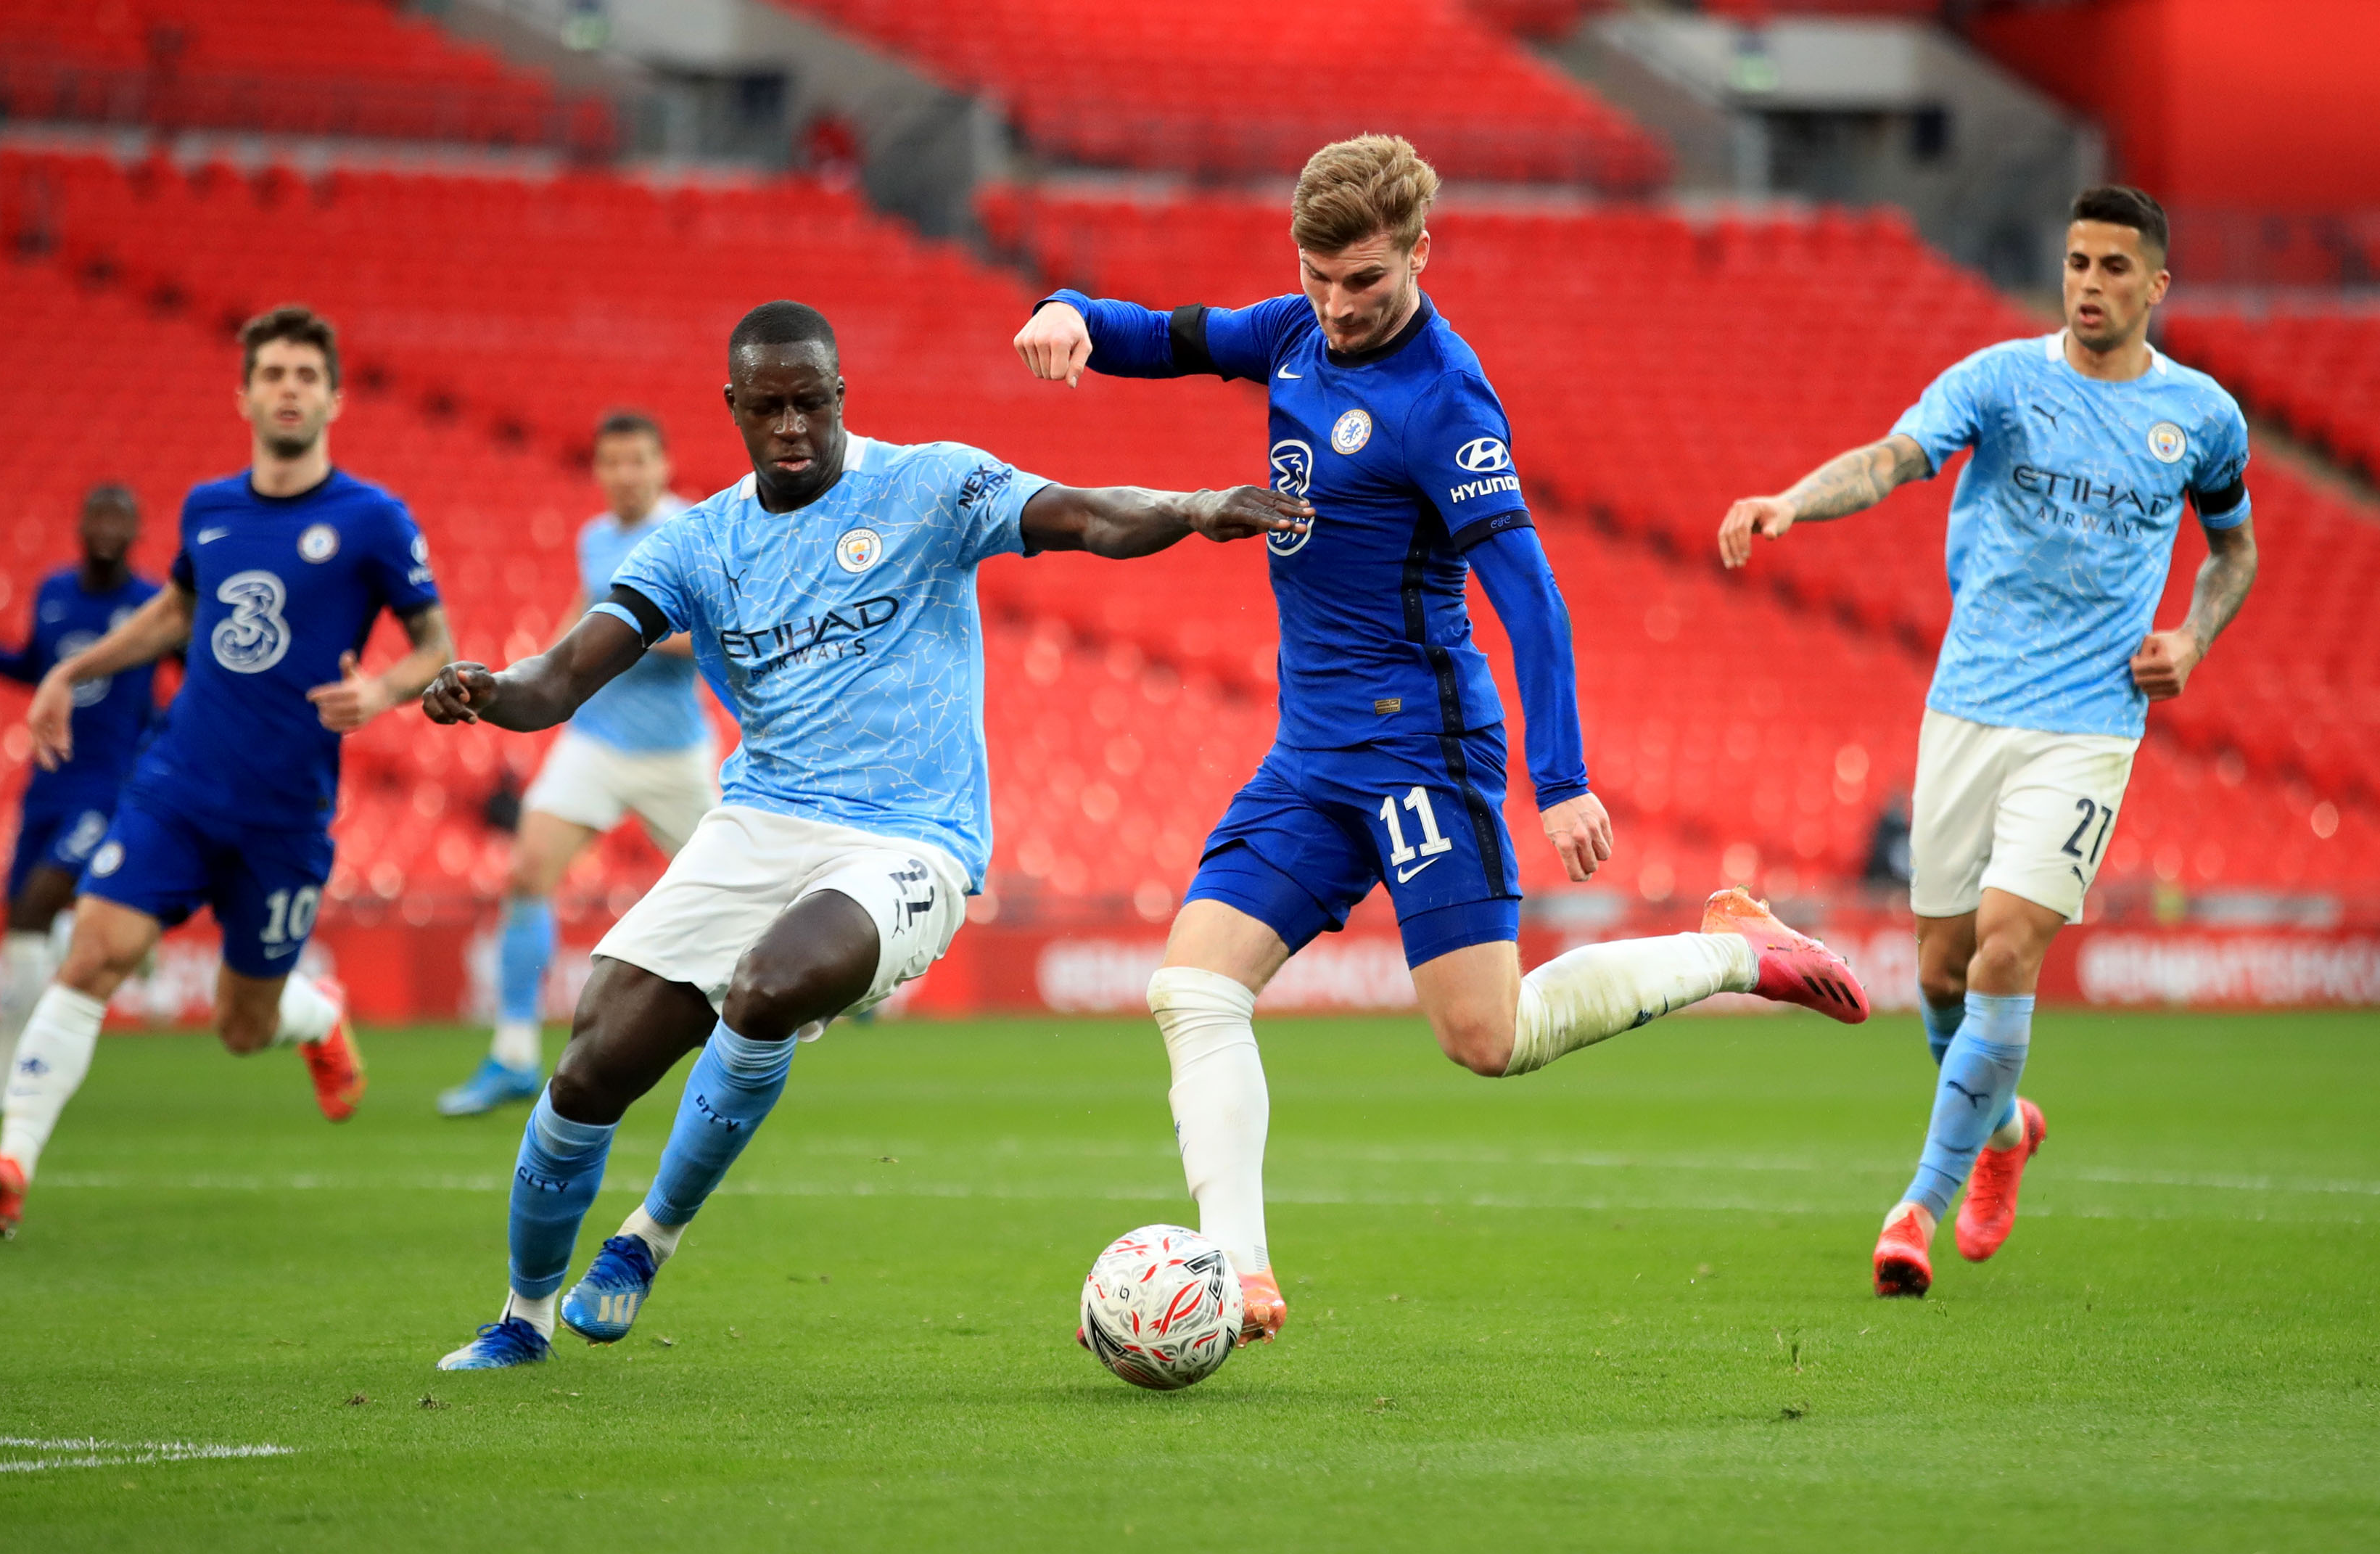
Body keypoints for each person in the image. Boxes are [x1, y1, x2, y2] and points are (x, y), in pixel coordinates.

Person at [1011, 134, 1871, 1345]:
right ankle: (1238, 1275)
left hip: (1422, 748)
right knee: (1190, 987)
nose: (1336, 306)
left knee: (1486, 1036)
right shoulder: (1293, 333)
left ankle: (1733, 952)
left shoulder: (1446, 399)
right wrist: (1066, 312)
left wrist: (1559, 779)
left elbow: (1530, 597)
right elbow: (1165, 332)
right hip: (1310, 752)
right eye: (1317, 278)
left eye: (1362, 280)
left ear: (1420, 250)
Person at [427, 299, 1310, 1369]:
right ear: (735, 408)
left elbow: (1083, 515)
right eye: (769, 407)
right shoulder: (698, 544)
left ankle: (647, 1236)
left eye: (810, 402)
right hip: (754, 822)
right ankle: (520, 1318)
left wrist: (1192, 504)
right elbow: (563, 674)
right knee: (589, 1071)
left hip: (912, 839)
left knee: (768, 985)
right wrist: (489, 689)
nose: (792, 424)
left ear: (841, 394)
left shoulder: (929, 486)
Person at [1715, 185, 2257, 1296]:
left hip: (2090, 722)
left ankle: (1916, 1201)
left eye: (2114, 267)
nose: (2090, 284)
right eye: (2076, 262)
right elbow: (1888, 459)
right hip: (1967, 707)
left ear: (2156, 284)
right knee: (1940, 971)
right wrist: (1788, 501)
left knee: (2007, 946)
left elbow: (2233, 551)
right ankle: (2003, 1130)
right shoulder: (1999, 381)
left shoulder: (2200, 415)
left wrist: (2192, 639)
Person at [0, 305, 456, 1238]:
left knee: (241, 1028)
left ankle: (316, 1016)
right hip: (176, 783)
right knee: (95, 952)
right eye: (273, 375)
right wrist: (70, 667)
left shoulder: (374, 520)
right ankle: (14, 1163)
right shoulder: (208, 508)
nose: (290, 389)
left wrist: (380, 691)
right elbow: (175, 616)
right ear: (245, 395)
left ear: (335, 396)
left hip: (284, 812)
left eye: (307, 375)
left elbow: (435, 644)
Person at [437, 411, 721, 1118]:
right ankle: (509, 1055)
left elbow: (716, 635)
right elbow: (576, 624)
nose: (624, 475)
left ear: (662, 466)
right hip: (594, 741)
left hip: (675, 754)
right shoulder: (595, 538)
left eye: (637, 461)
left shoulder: (692, 530)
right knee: (527, 872)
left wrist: (629, 635)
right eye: (612, 462)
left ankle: (818, 998)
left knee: (740, 892)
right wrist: (516, 682)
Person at [0, 485, 164, 1120]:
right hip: (47, 782)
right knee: (21, 936)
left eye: (122, 519)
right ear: (82, 525)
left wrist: (164, 734)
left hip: (106, 784)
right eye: (100, 517)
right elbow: (34, 667)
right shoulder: (53, 593)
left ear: (137, 531)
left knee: (37, 906)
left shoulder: (150, 604)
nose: (109, 529)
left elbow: (194, 672)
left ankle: (17, 1084)